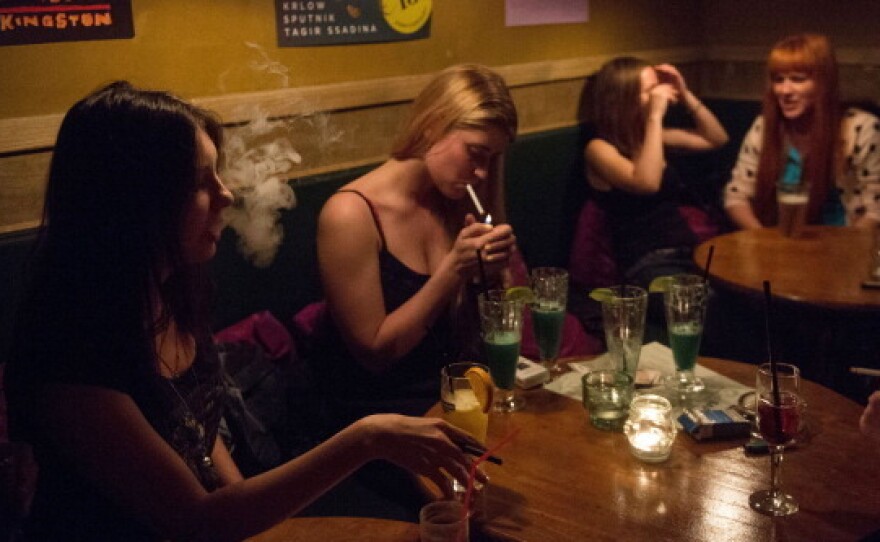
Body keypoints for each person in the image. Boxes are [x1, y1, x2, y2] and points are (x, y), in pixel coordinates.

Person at [4, 81, 485, 541]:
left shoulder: (170, 295)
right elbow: (194, 519)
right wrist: (366, 438)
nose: (227, 194)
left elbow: (203, 444)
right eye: (199, 181)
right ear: (134, 200)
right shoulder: (67, 349)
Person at [315, 64, 519, 431]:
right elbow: (375, 355)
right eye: (476, 152)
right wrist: (453, 271)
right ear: (433, 124)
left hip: (462, 396)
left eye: (492, 158)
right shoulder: (350, 214)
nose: (483, 172)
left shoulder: (458, 202)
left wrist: (496, 270)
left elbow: (493, 323)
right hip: (381, 416)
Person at [582, 56, 729, 288]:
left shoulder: (651, 138)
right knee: (702, 305)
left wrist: (685, 94)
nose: (658, 94)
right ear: (623, 100)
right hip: (644, 261)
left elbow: (716, 138)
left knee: (744, 294)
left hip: (686, 250)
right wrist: (654, 116)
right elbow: (647, 183)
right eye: (650, 89)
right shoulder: (599, 149)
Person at [724, 33, 880, 231]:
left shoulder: (860, 128)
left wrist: (848, 250)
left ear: (824, 84)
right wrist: (761, 239)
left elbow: (876, 209)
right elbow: (736, 196)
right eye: (778, 80)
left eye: (798, 79)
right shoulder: (764, 126)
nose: (785, 90)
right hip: (779, 240)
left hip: (844, 242)